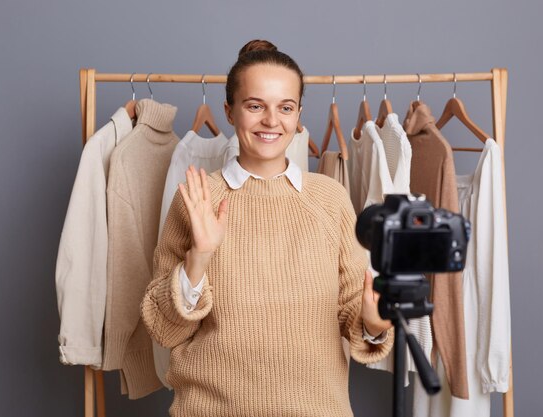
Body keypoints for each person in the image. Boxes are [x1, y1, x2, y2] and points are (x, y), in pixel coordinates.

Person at [141, 39, 394, 417]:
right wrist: (199, 257)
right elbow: (164, 329)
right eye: (255, 106)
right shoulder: (198, 197)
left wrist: (373, 325)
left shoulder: (330, 198)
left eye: (285, 108)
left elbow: (351, 308)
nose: (271, 121)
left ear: (298, 115)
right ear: (230, 112)